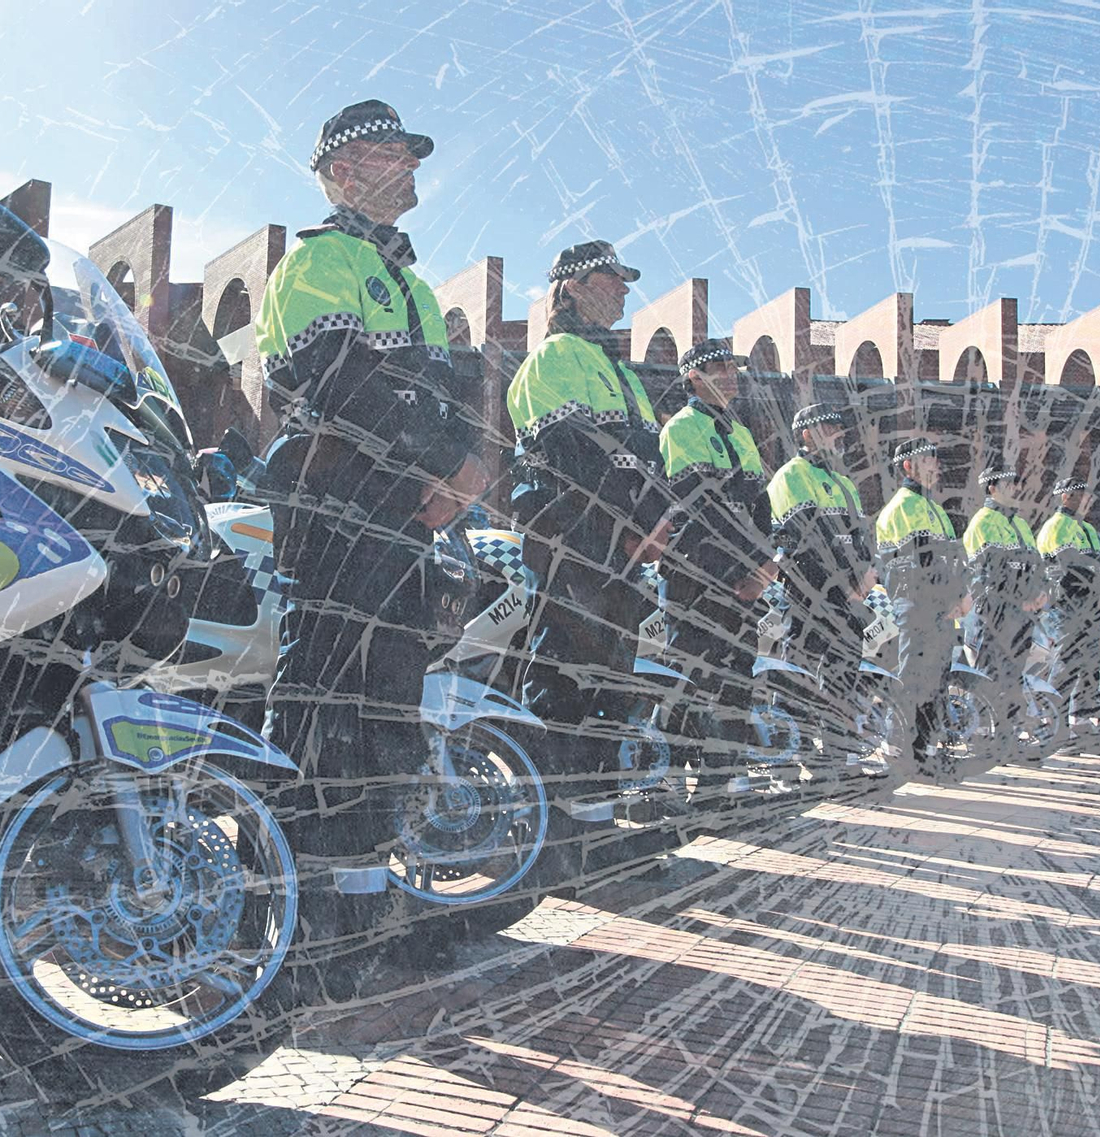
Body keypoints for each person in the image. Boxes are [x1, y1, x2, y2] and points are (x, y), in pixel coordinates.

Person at [254, 99, 485, 980]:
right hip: (337, 502)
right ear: (342, 172)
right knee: (327, 694)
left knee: (387, 701)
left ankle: (358, 899)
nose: (413, 166)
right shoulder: (318, 261)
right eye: (393, 153)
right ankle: (297, 909)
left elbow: (436, 400)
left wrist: (453, 475)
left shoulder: (417, 285)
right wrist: (448, 463)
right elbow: (338, 381)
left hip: (398, 514)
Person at [506, 239, 673, 793]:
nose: (624, 290)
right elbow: (569, 466)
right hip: (576, 553)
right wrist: (630, 533)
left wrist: (656, 526)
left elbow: (647, 466)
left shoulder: (619, 372)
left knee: (611, 689)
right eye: (610, 279)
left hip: (624, 556)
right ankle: (561, 847)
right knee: (565, 684)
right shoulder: (554, 358)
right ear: (572, 288)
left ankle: (598, 835)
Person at [658, 339, 777, 802]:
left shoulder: (742, 433)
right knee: (689, 677)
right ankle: (667, 779)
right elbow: (697, 507)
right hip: (696, 574)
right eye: (719, 367)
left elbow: (760, 509)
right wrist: (736, 569)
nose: (731, 375)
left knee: (736, 680)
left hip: (743, 582)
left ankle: (722, 782)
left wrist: (764, 567)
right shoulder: (682, 428)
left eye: (733, 367)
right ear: (692, 376)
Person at [766, 402, 877, 768]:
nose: (838, 436)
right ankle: (787, 762)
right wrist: (846, 585)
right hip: (807, 591)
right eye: (829, 430)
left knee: (843, 678)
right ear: (807, 435)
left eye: (839, 430)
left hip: (849, 596)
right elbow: (808, 538)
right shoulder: (791, 475)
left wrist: (864, 575)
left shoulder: (844, 482)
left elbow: (861, 539)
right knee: (796, 676)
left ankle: (836, 758)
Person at [874, 437, 969, 776]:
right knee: (912, 679)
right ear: (908, 466)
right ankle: (895, 749)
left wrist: (962, 595)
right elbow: (921, 563)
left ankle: (924, 753)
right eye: (927, 460)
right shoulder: (902, 507)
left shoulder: (936, 509)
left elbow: (955, 558)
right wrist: (954, 596)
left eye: (936, 460)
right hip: (916, 607)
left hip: (941, 609)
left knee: (937, 682)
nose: (936, 466)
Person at [962, 463, 1046, 743]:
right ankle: (981, 736)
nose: (1016, 489)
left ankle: (1007, 735)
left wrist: (1040, 594)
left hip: (1021, 615)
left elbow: (1036, 565)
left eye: (1016, 483)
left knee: (1012, 677)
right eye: (1009, 484)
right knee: (988, 676)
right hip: (994, 614)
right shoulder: (983, 521)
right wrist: (1020, 600)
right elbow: (989, 575)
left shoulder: (1020, 523)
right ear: (992, 488)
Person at [1035, 478, 1100, 757]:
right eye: (1074, 493)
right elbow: (1070, 565)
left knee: (1090, 666)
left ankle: (1082, 726)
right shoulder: (1055, 526)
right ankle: (1055, 728)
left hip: (1090, 605)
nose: (1079, 497)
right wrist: (1097, 580)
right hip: (1065, 605)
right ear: (1062, 496)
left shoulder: (1088, 528)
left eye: (1082, 493)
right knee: (1066, 665)